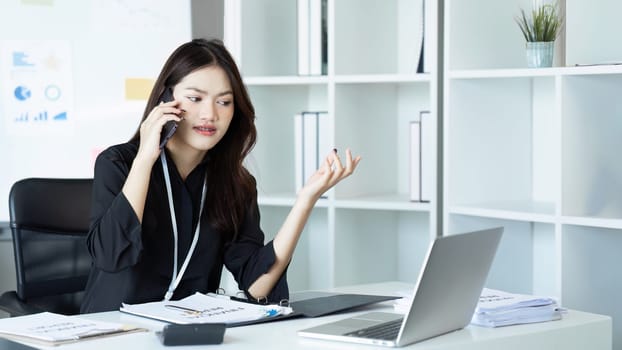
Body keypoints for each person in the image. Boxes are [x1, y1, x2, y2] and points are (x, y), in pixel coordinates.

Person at [80, 38, 361, 313]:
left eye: (224, 102)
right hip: (114, 333)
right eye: (195, 98)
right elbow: (110, 256)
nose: (209, 113)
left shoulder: (235, 184)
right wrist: (145, 157)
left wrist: (305, 200)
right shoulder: (119, 163)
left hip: (190, 335)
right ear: (166, 100)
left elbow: (256, 287)